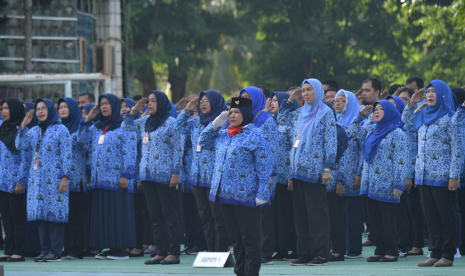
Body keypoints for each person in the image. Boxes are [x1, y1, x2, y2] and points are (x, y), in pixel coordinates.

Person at [199, 97, 272, 276]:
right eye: (230, 112)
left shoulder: (256, 135)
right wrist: (215, 125)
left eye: (237, 112)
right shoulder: (223, 133)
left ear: (246, 114)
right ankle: (240, 271)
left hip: (246, 195)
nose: (232, 115)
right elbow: (203, 142)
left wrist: (262, 192)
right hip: (224, 194)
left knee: (250, 237)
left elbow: (264, 166)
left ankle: (251, 272)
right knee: (235, 238)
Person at [403, 80, 463, 267]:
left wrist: (454, 175)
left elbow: (458, 150)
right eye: (427, 91)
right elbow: (406, 122)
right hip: (423, 175)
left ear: (443, 94)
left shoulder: (451, 119)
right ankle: (435, 253)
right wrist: (411, 104)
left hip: (444, 177)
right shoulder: (422, 115)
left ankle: (448, 254)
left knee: (446, 216)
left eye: (433, 92)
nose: (429, 95)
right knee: (430, 216)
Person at [280, 78, 337, 266]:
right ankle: (304, 253)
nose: (305, 94)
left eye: (309, 90)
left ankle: (320, 254)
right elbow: (282, 121)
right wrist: (290, 100)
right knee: (301, 216)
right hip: (297, 171)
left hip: (315, 172)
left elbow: (331, 141)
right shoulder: (299, 113)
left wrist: (327, 168)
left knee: (317, 216)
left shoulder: (326, 113)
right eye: (303, 90)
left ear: (318, 91)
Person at [123, 91, 182, 265]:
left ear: (163, 103)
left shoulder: (172, 123)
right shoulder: (144, 122)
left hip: (165, 176)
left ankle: (174, 252)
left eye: (154, 101)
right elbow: (126, 127)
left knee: (169, 215)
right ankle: (161, 251)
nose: (149, 104)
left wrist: (175, 173)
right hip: (147, 175)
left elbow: (177, 149)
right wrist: (134, 110)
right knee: (155, 215)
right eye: (148, 101)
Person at [81, 94, 137, 261]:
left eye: (107, 104)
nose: (104, 107)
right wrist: (87, 120)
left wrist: (126, 175)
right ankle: (109, 247)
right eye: (101, 104)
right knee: (104, 215)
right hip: (99, 179)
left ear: (114, 106)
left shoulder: (125, 126)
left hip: (117, 179)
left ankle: (120, 248)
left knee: (117, 213)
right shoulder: (97, 127)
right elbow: (82, 143)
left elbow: (130, 151)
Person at [16, 98, 72, 262]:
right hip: (37, 182)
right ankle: (45, 250)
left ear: (50, 110)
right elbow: (21, 145)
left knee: (55, 216)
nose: (40, 111)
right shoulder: (33, 131)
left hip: (55, 180)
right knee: (41, 216)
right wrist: (23, 125)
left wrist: (65, 177)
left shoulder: (61, 130)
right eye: (38, 109)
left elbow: (66, 155)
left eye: (43, 108)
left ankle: (55, 252)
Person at [175, 90, 229, 254]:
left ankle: (221, 250)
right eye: (202, 101)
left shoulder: (223, 122)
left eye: (207, 101)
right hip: (197, 177)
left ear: (216, 102)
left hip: (214, 177)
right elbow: (179, 127)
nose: (203, 104)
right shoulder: (196, 122)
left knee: (218, 217)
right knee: (205, 216)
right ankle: (210, 249)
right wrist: (187, 111)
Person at [358, 100, 409, 263]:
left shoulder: (397, 132)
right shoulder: (372, 130)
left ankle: (391, 251)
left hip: (387, 184)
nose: (377, 112)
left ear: (390, 112)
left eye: (381, 109)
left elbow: (401, 160)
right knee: (372, 220)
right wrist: (359, 117)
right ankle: (380, 249)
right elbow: (353, 134)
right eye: (375, 109)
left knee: (388, 220)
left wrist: (398, 184)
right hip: (369, 183)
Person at [239, 86, 278, 265]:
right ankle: (252, 250)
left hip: (263, 174)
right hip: (246, 176)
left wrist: (269, 174)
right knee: (249, 215)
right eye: (242, 98)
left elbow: (272, 149)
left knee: (263, 214)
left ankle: (266, 252)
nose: (245, 100)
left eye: (248, 97)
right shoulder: (243, 120)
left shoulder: (266, 121)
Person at [333, 90, 364, 260]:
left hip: (352, 176)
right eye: (336, 101)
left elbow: (361, 151)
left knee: (352, 213)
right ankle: (341, 247)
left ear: (350, 103)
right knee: (339, 214)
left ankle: (354, 249)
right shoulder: (335, 122)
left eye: (342, 101)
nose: (337, 104)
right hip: (336, 176)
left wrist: (359, 173)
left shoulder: (357, 123)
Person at [57, 97, 87, 260]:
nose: (62, 109)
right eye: (60, 107)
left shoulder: (80, 128)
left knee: (75, 216)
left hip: (76, 179)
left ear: (73, 109)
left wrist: (85, 125)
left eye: (65, 107)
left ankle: (76, 249)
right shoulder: (57, 128)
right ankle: (67, 247)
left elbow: (87, 145)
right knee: (64, 215)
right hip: (60, 180)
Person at [270, 92, 298, 261]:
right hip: (275, 177)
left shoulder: (291, 125)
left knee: (290, 215)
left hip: (287, 176)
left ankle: (294, 247)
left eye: (276, 101)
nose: (272, 103)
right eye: (271, 100)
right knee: (278, 216)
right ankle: (281, 248)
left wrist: (291, 174)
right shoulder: (271, 123)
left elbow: (293, 151)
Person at [0, 98, 27, 262]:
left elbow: (26, 158)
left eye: (6, 108)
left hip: (15, 181)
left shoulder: (22, 130)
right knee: (6, 217)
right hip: (2, 181)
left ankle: (20, 250)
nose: (3, 111)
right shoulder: (2, 128)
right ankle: (9, 249)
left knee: (17, 218)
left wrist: (21, 181)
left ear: (15, 110)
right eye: (2, 108)